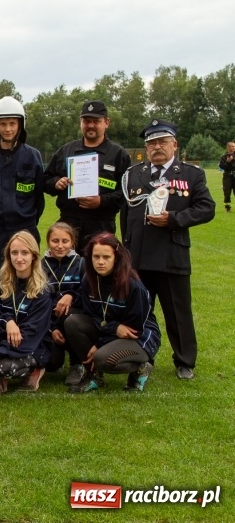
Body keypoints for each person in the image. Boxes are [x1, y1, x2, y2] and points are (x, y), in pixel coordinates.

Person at [121, 119, 215, 380]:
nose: (157, 147)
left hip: (172, 254)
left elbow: (206, 208)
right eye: (151, 143)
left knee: (178, 312)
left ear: (174, 144)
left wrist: (174, 219)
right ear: (146, 148)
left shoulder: (191, 174)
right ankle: (141, 356)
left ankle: (185, 361)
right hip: (139, 256)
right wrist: (126, 248)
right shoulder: (133, 174)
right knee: (139, 310)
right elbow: (126, 213)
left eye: (162, 142)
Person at [64, 233, 161, 393]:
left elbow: (133, 328)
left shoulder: (133, 285)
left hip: (138, 337)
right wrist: (112, 328)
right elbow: (90, 316)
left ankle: (141, 367)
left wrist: (99, 343)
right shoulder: (89, 279)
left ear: (116, 258)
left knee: (102, 359)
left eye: (106, 257)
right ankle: (94, 376)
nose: (100, 262)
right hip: (111, 330)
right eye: (96, 256)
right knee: (73, 322)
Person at [44, 100, 132, 248]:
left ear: (106, 122)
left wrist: (102, 201)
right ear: (81, 122)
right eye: (86, 121)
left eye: (96, 121)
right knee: (68, 269)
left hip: (102, 225)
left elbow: (127, 193)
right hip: (68, 225)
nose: (90, 125)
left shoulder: (118, 155)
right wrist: (56, 183)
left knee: (99, 268)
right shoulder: (66, 151)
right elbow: (45, 180)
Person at [0, 231, 52, 397]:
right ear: (8, 255)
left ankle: (36, 369)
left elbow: (30, 334)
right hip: (7, 340)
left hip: (32, 345)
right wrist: (9, 322)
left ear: (34, 256)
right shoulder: (0, 282)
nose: (19, 258)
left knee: (1, 368)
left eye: (25, 253)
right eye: (14, 253)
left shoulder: (43, 291)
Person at [0, 96, 45, 269]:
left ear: (20, 125)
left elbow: (39, 198)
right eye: (3, 124)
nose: (8, 129)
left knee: (28, 278)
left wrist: (27, 221)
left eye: (12, 124)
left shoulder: (33, 156)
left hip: (25, 229)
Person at [40, 222, 86, 384]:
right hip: (51, 322)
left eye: (65, 241)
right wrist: (51, 329)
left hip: (74, 319)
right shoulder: (40, 266)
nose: (60, 246)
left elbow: (88, 294)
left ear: (72, 242)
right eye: (55, 241)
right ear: (48, 242)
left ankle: (77, 364)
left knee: (70, 314)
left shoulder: (81, 263)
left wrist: (71, 296)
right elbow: (39, 302)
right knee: (52, 363)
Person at [219, 141, 235, 213]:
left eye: (234, 146)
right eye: (232, 146)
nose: (234, 148)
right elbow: (221, 166)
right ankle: (227, 207)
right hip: (227, 176)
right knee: (227, 192)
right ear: (228, 147)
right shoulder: (224, 156)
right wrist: (228, 162)